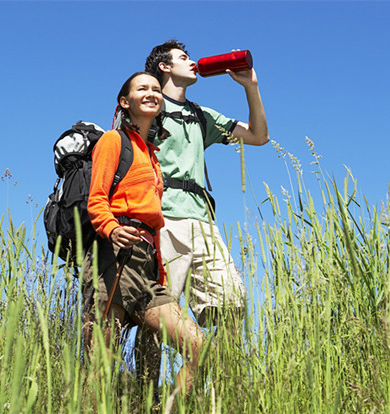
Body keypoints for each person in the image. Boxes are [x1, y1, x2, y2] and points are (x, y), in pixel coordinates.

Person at [136, 39, 269, 396]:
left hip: (204, 223)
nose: (192, 62)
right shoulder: (148, 105)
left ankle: (209, 394)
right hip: (163, 219)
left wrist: (251, 87)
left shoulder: (200, 115)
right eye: (183, 58)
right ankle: (144, 396)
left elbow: (259, 136)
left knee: (230, 306)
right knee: (160, 315)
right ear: (164, 67)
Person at [82, 71, 204, 395]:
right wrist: (110, 229)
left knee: (197, 345)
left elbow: (154, 223)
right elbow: (96, 199)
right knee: (101, 365)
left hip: (147, 267)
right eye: (142, 88)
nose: (151, 92)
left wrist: (159, 270)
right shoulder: (113, 141)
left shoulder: (153, 158)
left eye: (155, 88)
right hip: (115, 258)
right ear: (125, 101)